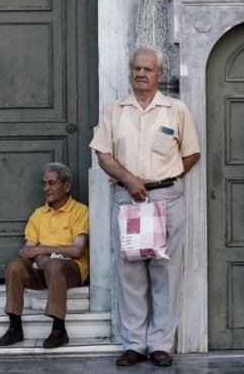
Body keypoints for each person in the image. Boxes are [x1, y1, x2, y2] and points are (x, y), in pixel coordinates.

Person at [90, 47, 200, 368]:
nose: (141, 74)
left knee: (165, 272)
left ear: (159, 75)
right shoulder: (115, 111)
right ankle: (135, 343)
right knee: (130, 273)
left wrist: (164, 178)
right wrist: (130, 178)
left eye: (148, 69)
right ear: (130, 72)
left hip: (165, 199)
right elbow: (103, 154)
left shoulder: (175, 110)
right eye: (136, 68)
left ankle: (161, 344)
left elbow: (192, 153)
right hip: (129, 199)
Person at [0, 162, 89, 349]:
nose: (46, 188)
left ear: (66, 186)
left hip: (71, 270)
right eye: (44, 184)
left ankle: (59, 329)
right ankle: (15, 326)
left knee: (55, 265)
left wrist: (42, 251)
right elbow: (27, 250)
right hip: (42, 269)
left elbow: (77, 250)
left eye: (51, 183)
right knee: (15, 265)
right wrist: (40, 256)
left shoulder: (80, 211)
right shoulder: (38, 214)